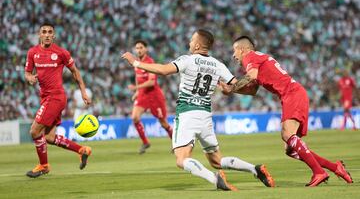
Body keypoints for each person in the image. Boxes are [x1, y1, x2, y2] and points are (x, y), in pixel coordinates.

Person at [122, 29, 275, 190]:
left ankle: (215, 179)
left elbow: (163, 70)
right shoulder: (218, 65)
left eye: (191, 40)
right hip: (205, 116)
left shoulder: (188, 60)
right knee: (216, 160)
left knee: (181, 159)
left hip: (187, 113)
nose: (189, 42)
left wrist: (135, 63)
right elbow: (246, 89)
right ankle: (255, 169)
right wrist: (235, 88)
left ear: (197, 45)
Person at [223, 35, 353, 187]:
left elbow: (250, 77)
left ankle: (319, 172)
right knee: (290, 149)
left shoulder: (250, 57)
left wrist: (231, 87)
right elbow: (252, 90)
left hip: (292, 94)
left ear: (243, 49)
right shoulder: (258, 60)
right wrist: (231, 90)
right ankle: (335, 167)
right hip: (294, 94)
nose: (233, 55)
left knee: (287, 134)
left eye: (235, 50)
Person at [24, 23, 92, 178]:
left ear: (54, 35)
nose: (47, 34)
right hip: (46, 98)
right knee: (49, 137)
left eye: (50, 32)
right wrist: (30, 78)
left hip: (56, 97)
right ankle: (82, 150)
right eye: (44, 32)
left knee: (34, 131)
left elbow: (75, 72)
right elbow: (27, 73)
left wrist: (83, 92)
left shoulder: (61, 53)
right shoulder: (32, 52)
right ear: (39, 34)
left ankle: (44, 165)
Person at [128, 40, 173, 154]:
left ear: (146, 49)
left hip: (154, 96)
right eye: (137, 48)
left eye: (141, 48)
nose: (138, 50)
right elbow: (138, 78)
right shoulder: (136, 63)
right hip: (143, 95)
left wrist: (135, 88)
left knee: (163, 123)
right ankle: (145, 142)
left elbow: (152, 82)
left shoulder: (150, 63)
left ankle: (176, 143)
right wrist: (137, 92)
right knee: (135, 117)